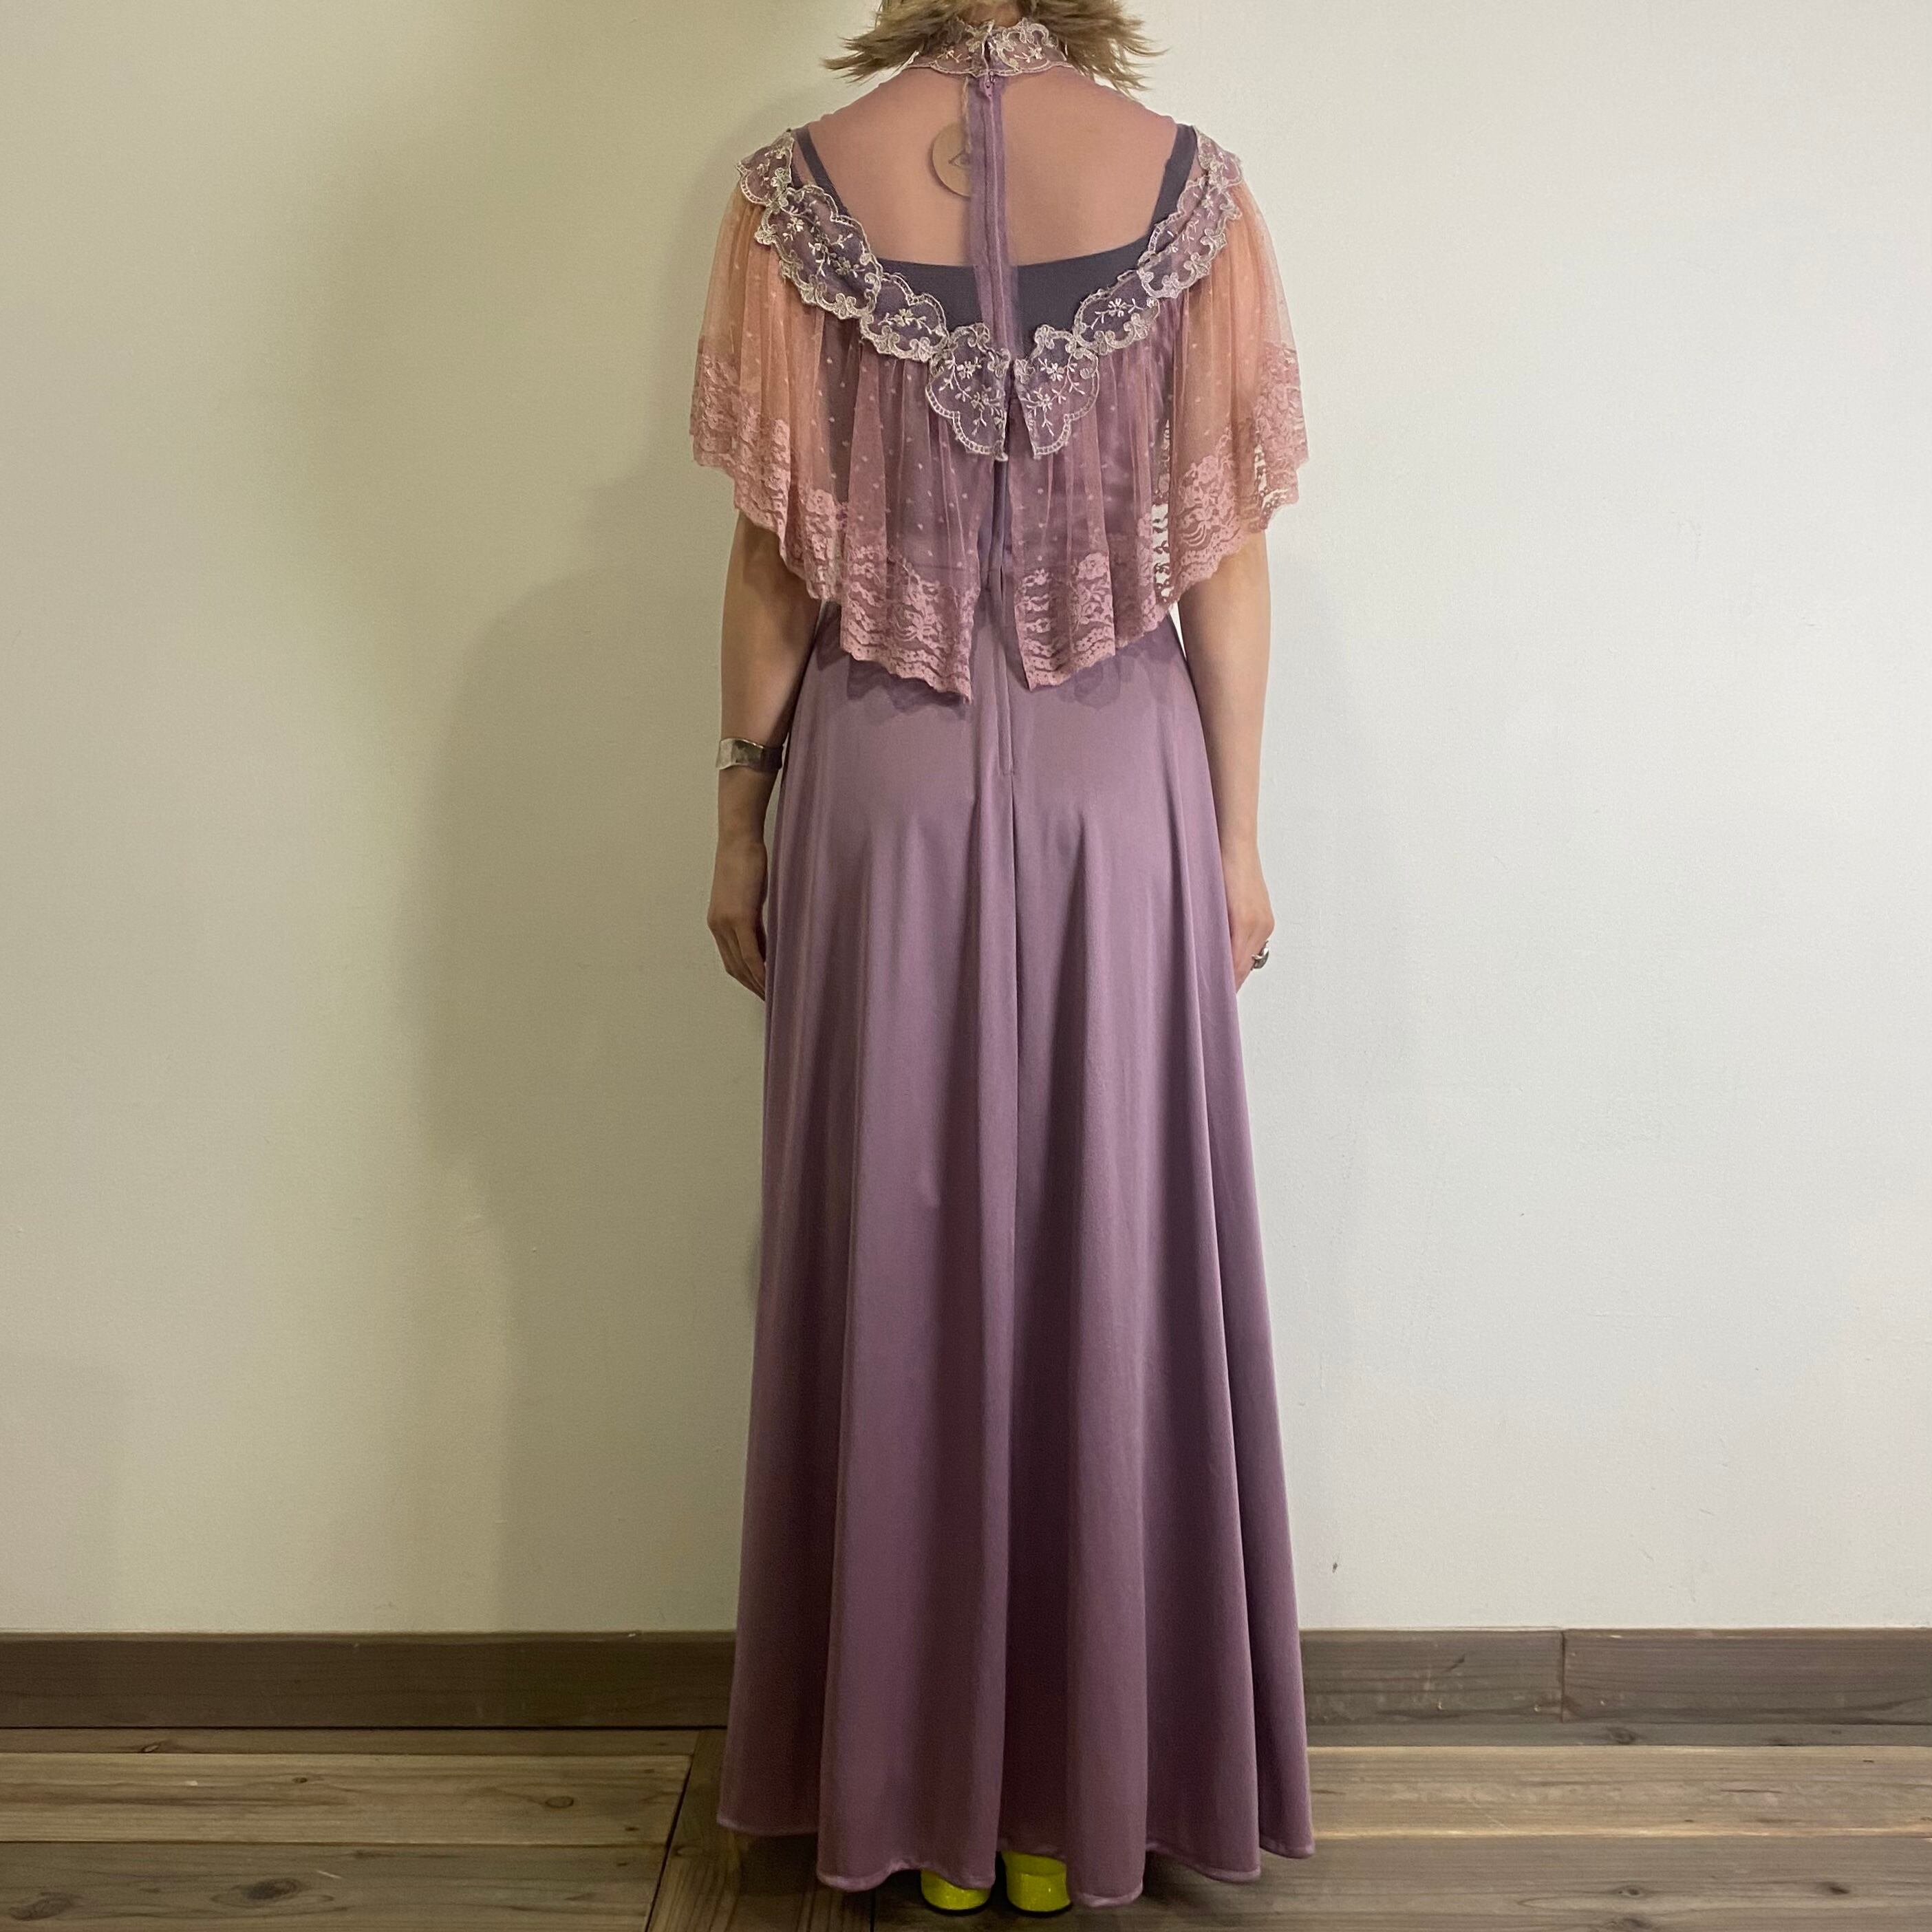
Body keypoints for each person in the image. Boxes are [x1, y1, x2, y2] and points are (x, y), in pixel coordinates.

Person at [689, 0, 1313, 1912]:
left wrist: (738, 806)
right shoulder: (1191, 193)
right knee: (1114, 1253)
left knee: (898, 1258)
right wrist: (1235, 836)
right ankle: (1073, 1802)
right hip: (1122, 790)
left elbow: (779, 560)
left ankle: (913, 1801)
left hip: (886, 785)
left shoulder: (798, 194)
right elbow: (1220, 558)